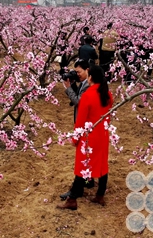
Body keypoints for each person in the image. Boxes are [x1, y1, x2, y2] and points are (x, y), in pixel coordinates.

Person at [57, 65, 113, 210]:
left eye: (87, 75)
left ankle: (72, 199)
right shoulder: (107, 94)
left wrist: (75, 139)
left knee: (82, 167)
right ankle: (100, 195)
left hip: (89, 137)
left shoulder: (88, 96)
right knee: (101, 164)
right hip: (103, 134)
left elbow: (80, 121)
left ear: (91, 77)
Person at [60, 59, 96, 200]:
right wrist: (73, 84)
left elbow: (79, 103)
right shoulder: (86, 83)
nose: (77, 74)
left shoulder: (88, 85)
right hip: (87, 126)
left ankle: (77, 189)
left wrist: (68, 87)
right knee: (87, 157)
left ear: (88, 70)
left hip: (85, 126)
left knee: (83, 158)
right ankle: (89, 181)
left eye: (79, 72)